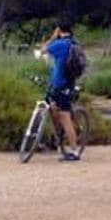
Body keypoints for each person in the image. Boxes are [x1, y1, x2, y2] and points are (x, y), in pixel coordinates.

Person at [42, 21, 81, 161]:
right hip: (67, 84)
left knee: (64, 117)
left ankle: (74, 152)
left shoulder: (60, 44)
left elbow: (43, 50)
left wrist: (53, 37)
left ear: (59, 30)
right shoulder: (74, 43)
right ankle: (58, 138)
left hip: (61, 84)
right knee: (54, 108)